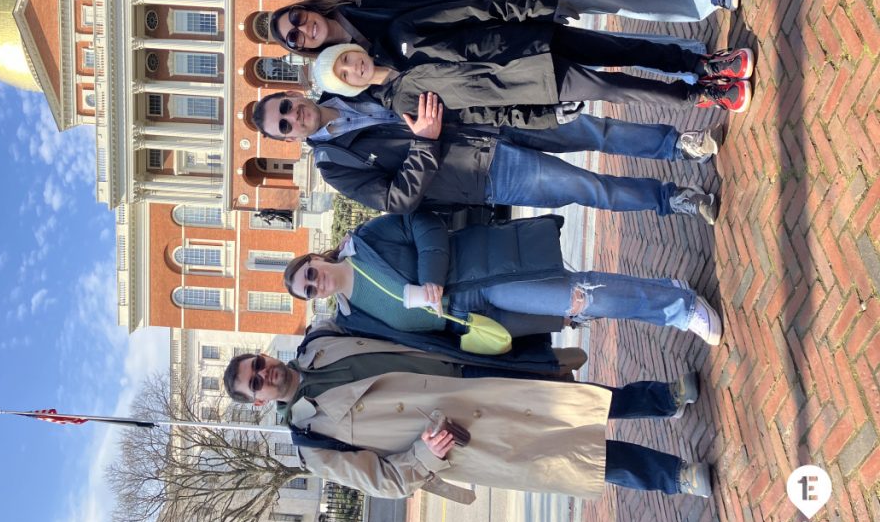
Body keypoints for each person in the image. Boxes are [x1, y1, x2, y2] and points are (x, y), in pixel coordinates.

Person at [222, 326, 715, 501]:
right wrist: (426, 455)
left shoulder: (320, 341)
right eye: (255, 383)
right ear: (260, 402)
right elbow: (386, 482)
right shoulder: (312, 444)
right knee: (574, 454)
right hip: (464, 434)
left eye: (258, 365)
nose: (264, 375)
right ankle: (677, 477)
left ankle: (664, 399)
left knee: (579, 399)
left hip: (472, 371)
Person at [269, 0, 748, 108]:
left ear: (303, 5)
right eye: (294, 38)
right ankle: (697, 65)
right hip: (508, 60)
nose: (300, 29)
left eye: (294, 18)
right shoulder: (357, 70)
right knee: (606, 48)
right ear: (302, 50)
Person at [251, 90, 721, 223]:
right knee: (588, 187)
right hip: (485, 172)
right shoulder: (335, 166)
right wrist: (425, 142)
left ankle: (677, 144)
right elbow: (397, 201)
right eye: (285, 125)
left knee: (592, 129)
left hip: (493, 119)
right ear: (291, 140)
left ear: (293, 93)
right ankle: (673, 199)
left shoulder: (348, 79)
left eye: (287, 106)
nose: (295, 117)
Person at [282, 211, 722, 345]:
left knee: (581, 296)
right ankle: (671, 296)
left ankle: (681, 309)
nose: (314, 283)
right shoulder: (354, 315)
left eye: (310, 273)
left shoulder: (366, 242)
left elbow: (425, 224)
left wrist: (431, 276)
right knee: (575, 306)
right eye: (308, 290)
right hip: (477, 320)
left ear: (314, 260)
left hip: (482, 272)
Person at [311, 41, 754, 116]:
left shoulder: (398, 36)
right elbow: (477, 115)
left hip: (526, 43)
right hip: (531, 85)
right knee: (619, 88)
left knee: (621, 49)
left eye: (345, 59)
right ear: (349, 86)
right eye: (344, 75)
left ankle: (703, 64)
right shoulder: (403, 106)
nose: (353, 68)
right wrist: (542, 115)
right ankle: (701, 95)